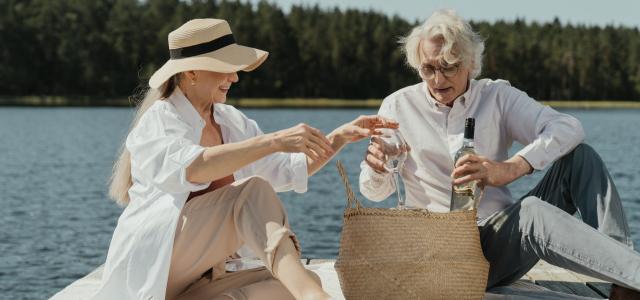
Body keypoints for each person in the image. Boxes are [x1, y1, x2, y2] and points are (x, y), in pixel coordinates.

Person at [92, 18, 396, 300]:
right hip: (158, 269)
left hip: (203, 277)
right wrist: (273, 141)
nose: (234, 77)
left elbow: (288, 171)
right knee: (251, 192)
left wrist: (339, 137)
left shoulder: (230, 120)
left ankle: (304, 293)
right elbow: (196, 167)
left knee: (297, 283)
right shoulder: (160, 121)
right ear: (191, 72)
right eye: (225, 67)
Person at [359, 9, 640, 299]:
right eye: (428, 69)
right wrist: (378, 169)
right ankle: (633, 274)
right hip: (437, 254)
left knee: (581, 158)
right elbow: (374, 193)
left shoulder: (498, 97)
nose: (438, 79)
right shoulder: (397, 106)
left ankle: (625, 283)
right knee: (533, 213)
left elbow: (568, 127)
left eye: (449, 66)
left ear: (470, 63)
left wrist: (513, 166)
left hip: (496, 244)